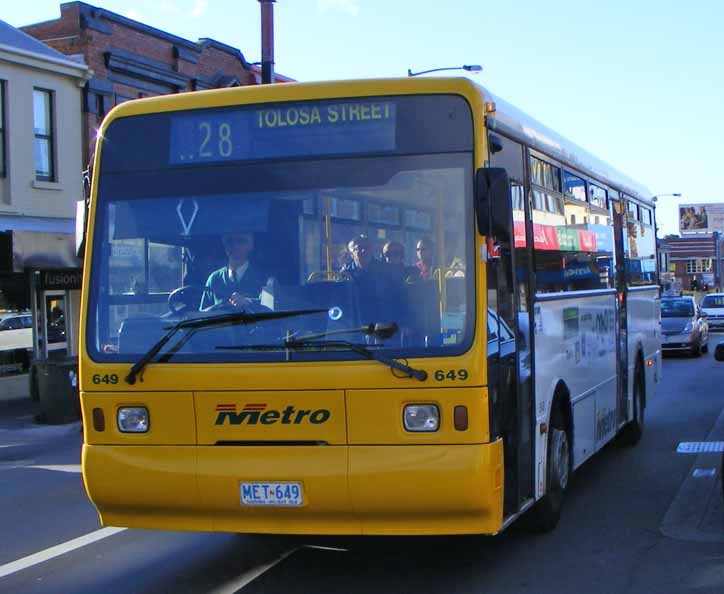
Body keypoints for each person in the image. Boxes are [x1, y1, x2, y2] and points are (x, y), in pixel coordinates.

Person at [200, 232, 267, 310]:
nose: (235, 246)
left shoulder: (263, 279)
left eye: (241, 241)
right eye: (229, 241)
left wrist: (248, 302)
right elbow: (202, 315)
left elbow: (269, 310)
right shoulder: (214, 279)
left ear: (251, 245)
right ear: (224, 245)